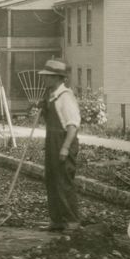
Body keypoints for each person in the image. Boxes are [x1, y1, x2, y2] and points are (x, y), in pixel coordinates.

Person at [38, 59, 81, 232]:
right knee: (52, 180)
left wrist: (64, 147)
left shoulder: (66, 97)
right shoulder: (52, 96)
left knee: (64, 182)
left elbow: (72, 126)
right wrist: (44, 108)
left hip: (64, 142)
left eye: (47, 77)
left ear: (57, 78)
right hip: (52, 141)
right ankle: (57, 220)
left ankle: (72, 220)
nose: (44, 80)